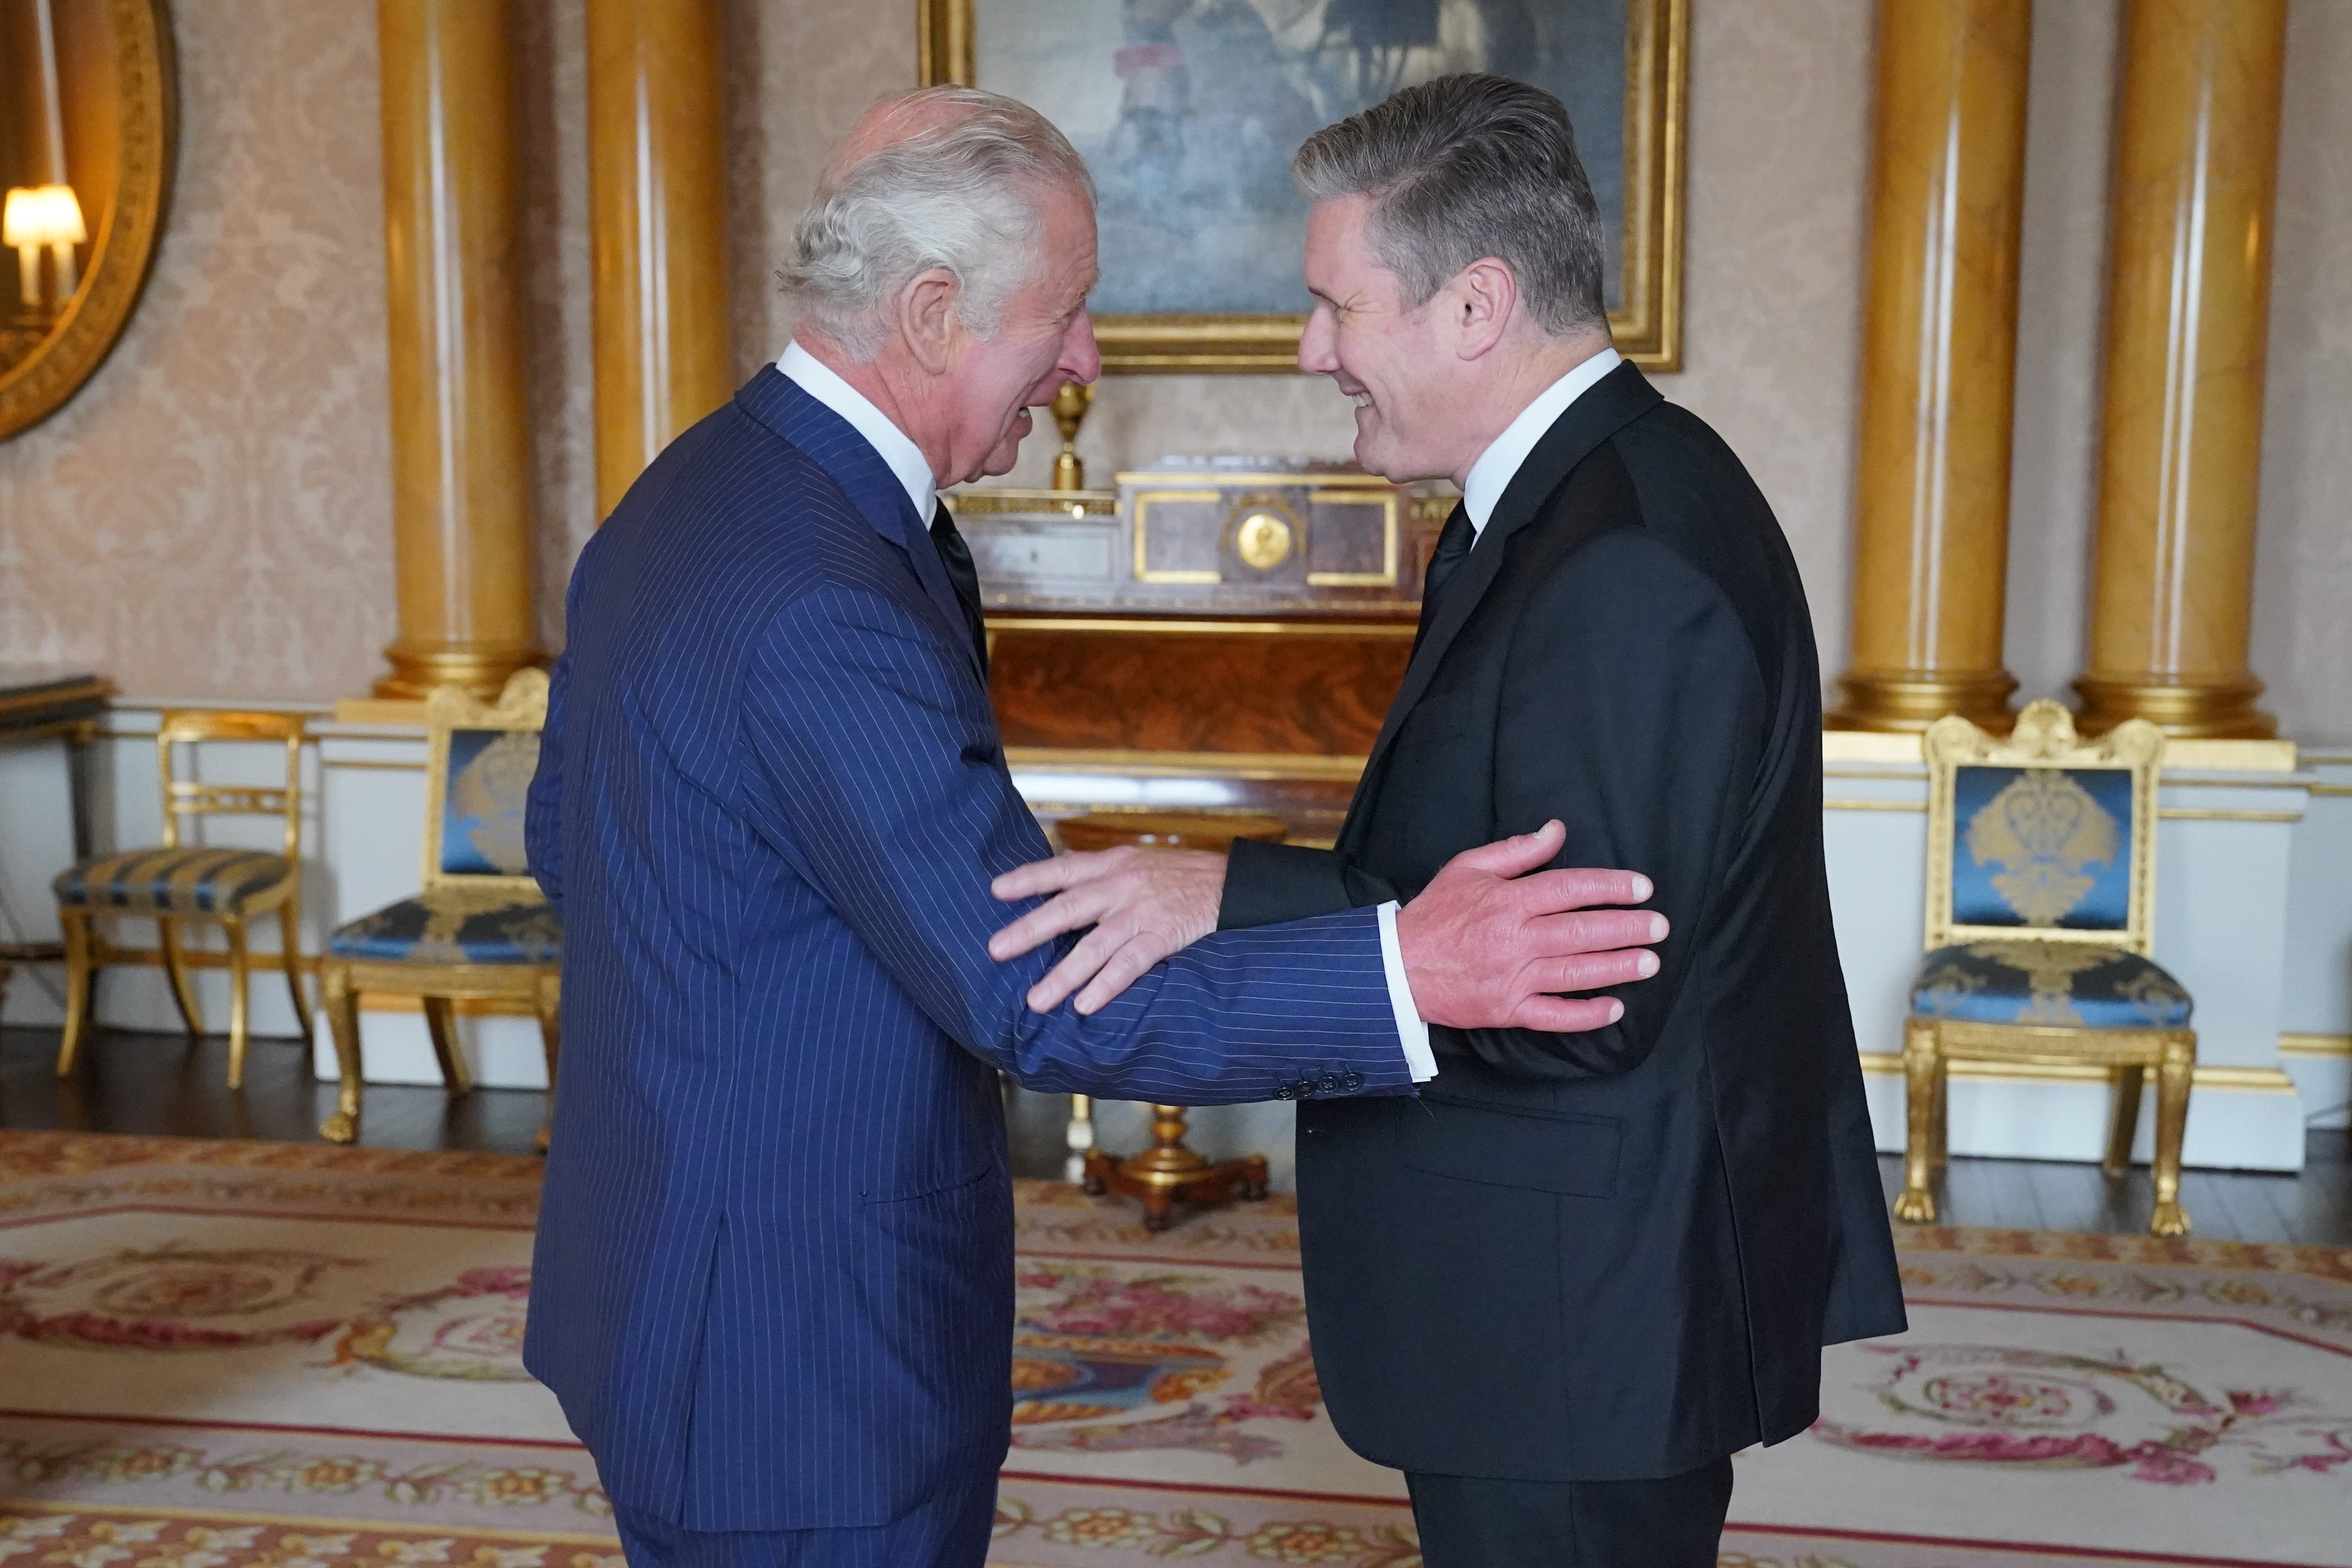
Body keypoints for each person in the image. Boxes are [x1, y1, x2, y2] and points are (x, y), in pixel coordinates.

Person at [523, 85, 1666, 1568]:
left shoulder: (703, 491)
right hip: (794, 1350)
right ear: (933, 314)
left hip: (674, 1277)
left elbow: (568, 840)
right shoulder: (817, 590)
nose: (1085, 357)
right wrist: (1411, 972)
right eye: (1063, 313)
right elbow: (1033, 997)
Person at [990, 74, 1908, 1568]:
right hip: (1557, 1296)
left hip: (1579, 1313)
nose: (1312, 350)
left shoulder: (1624, 561)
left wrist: (1225, 895)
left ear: (1475, 307)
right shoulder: (1557, 502)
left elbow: (1581, 987)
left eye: (1337, 308)